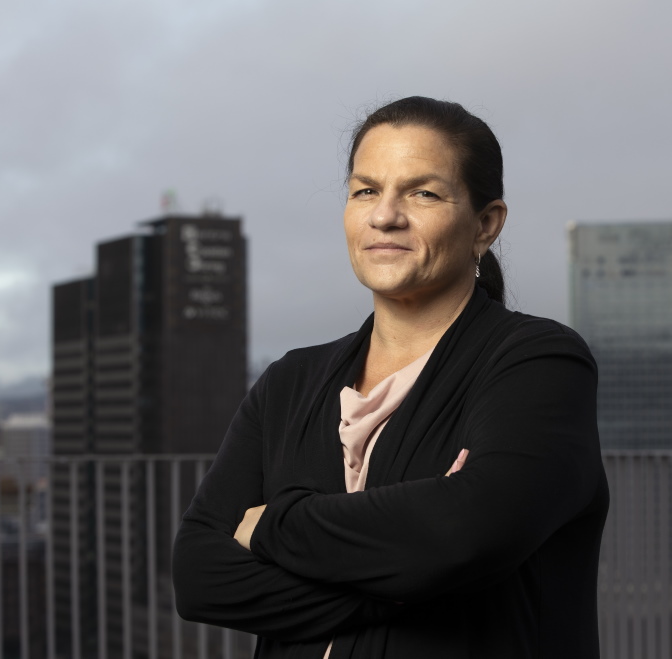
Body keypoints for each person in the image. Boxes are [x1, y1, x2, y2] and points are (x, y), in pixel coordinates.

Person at [172, 96, 609, 658]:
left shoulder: (538, 363)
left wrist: (272, 524)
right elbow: (200, 575)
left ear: (485, 224)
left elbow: (466, 533)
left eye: (423, 193)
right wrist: (407, 587)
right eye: (365, 191)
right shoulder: (289, 383)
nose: (385, 216)